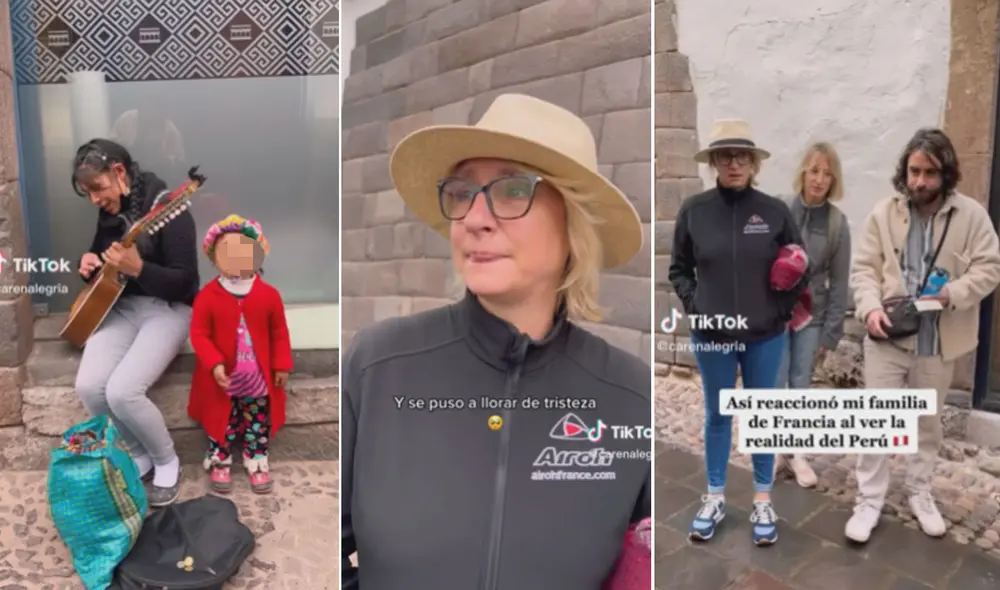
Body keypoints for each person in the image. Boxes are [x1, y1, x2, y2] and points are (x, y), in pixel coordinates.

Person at [340, 94, 651, 590]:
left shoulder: (632, 397)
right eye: (462, 193)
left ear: (573, 222)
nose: (474, 218)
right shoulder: (376, 365)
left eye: (512, 190)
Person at [846, 128, 1000, 542]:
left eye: (929, 173)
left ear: (945, 173)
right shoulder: (884, 213)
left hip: (938, 342)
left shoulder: (972, 216)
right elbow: (864, 270)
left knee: (927, 425)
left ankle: (920, 492)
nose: (919, 181)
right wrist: (870, 307)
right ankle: (869, 500)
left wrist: (953, 293)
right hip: (887, 336)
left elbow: (990, 267)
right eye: (914, 171)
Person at [669, 119, 808, 547]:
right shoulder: (694, 211)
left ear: (753, 163)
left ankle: (763, 499)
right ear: (714, 162)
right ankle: (714, 497)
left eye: (741, 156)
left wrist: (779, 311)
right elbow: (679, 269)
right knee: (718, 415)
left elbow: (800, 265)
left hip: (765, 336)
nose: (734, 164)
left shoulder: (774, 211)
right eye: (725, 156)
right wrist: (696, 306)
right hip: (714, 337)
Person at [71, 138, 200, 507]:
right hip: (122, 307)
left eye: (97, 188)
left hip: (169, 309)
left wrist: (140, 269)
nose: (95, 199)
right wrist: (89, 264)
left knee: (123, 390)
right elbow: (103, 257)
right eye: (87, 192)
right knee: (89, 386)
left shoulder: (171, 209)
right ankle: (138, 453)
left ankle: (167, 461)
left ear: (119, 172)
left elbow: (186, 283)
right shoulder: (111, 210)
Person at [188, 215, 292, 495]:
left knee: (256, 422)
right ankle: (221, 460)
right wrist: (214, 363)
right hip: (222, 381)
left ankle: (256, 460)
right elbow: (199, 334)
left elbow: (279, 333)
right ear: (214, 258)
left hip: (258, 378)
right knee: (222, 421)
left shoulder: (269, 295)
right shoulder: (207, 296)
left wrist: (282, 365)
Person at [775, 142, 852, 488]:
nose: (819, 179)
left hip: (812, 315)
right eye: (814, 170)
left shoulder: (837, 223)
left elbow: (840, 282)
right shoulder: (780, 210)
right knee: (775, 382)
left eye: (827, 173)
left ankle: (796, 452)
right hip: (777, 312)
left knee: (800, 384)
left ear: (833, 180)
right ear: (803, 173)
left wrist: (831, 333)